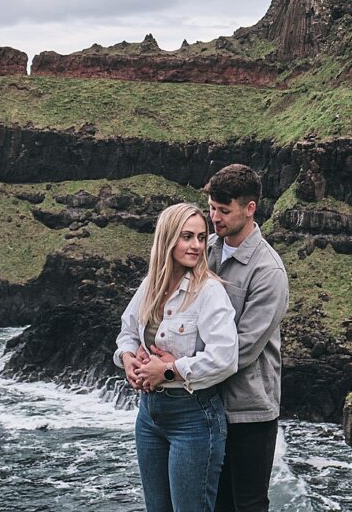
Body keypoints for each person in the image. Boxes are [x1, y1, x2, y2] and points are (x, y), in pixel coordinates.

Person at [116, 203, 238, 512]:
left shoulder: (209, 291)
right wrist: (128, 358)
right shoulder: (151, 284)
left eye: (200, 237)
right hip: (149, 415)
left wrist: (169, 371)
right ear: (168, 238)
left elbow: (225, 358)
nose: (197, 246)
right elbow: (128, 330)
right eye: (187, 237)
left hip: (193, 418)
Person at [204, 164, 290, 512]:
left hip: (250, 411)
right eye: (211, 208)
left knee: (249, 504)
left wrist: (176, 371)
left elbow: (241, 350)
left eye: (224, 211)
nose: (215, 218)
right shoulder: (205, 251)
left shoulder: (268, 271)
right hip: (208, 406)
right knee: (216, 502)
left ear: (250, 208)